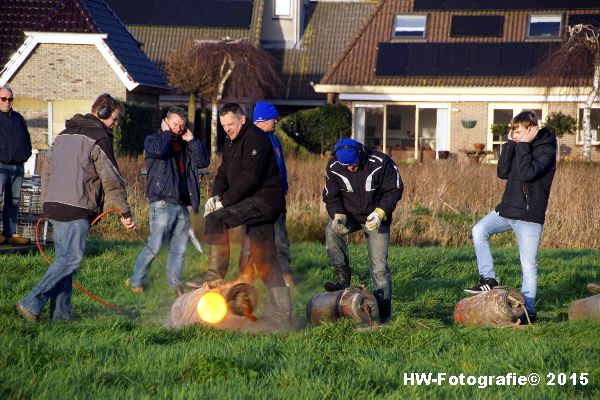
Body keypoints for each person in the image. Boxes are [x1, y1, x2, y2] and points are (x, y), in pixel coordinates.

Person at [16, 93, 136, 322]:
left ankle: (61, 316)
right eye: (115, 119)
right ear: (103, 112)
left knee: (64, 261)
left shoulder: (63, 134)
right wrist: (125, 213)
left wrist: (45, 204)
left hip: (54, 206)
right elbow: (111, 179)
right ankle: (30, 303)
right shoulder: (99, 137)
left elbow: (46, 172)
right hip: (75, 206)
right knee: (71, 259)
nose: (115, 124)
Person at [201, 103, 291, 325]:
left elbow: (249, 178)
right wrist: (215, 197)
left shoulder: (257, 139)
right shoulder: (230, 143)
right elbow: (223, 174)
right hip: (251, 203)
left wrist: (224, 202)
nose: (227, 130)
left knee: (216, 220)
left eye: (230, 124)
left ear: (242, 120)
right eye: (223, 126)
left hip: (264, 202)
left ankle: (215, 280)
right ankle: (284, 315)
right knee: (265, 260)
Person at [465, 110, 557, 325]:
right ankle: (489, 278)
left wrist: (523, 145)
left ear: (531, 129)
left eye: (517, 130)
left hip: (528, 217)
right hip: (506, 210)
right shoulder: (517, 145)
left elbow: (527, 173)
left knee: (529, 267)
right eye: (512, 130)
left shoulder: (546, 149)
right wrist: (509, 144)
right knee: (479, 230)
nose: (514, 133)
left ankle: (529, 312)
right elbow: (503, 171)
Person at [125, 107, 209, 296]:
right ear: (165, 122)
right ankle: (136, 280)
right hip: (162, 201)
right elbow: (159, 151)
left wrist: (193, 140)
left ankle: (174, 285)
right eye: (174, 124)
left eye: (182, 125)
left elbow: (203, 162)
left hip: (181, 202)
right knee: (155, 245)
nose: (178, 129)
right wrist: (165, 133)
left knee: (179, 248)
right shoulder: (153, 140)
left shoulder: (186, 143)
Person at [322, 138, 403, 323]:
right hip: (349, 215)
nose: (350, 169)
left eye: (353, 165)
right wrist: (337, 216)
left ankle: (383, 313)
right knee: (331, 230)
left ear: (360, 154)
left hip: (375, 216)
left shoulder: (381, 162)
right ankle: (342, 277)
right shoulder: (334, 166)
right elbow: (330, 196)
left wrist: (380, 213)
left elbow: (395, 189)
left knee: (379, 268)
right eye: (346, 166)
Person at [238, 101, 294, 287]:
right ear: (261, 120)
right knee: (249, 239)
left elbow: (280, 168)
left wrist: (283, 188)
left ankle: (285, 274)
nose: (277, 121)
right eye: (273, 118)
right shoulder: (250, 139)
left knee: (280, 237)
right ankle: (245, 277)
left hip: (276, 199)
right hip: (255, 200)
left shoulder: (274, 139)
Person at [0, 87, 32, 245]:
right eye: (3, 99)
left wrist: (27, 153)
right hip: (1, 166)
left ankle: (10, 233)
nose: (7, 102)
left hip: (18, 166)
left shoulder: (18, 118)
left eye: (10, 99)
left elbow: (26, 137)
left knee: (13, 201)